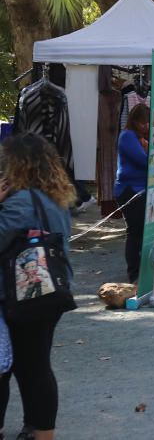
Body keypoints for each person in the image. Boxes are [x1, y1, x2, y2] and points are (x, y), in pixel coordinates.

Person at [0, 133, 77, 440]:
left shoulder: (19, 201)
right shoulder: (55, 197)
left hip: (23, 293)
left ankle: (41, 430)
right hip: (51, 288)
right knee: (35, 364)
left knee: (26, 366)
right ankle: (39, 429)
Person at [115, 103, 150, 283]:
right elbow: (143, 161)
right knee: (135, 232)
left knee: (141, 231)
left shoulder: (139, 138)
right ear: (134, 121)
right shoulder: (127, 136)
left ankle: (139, 271)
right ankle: (134, 274)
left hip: (139, 189)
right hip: (129, 190)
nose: (145, 126)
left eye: (147, 123)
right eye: (142, 123)